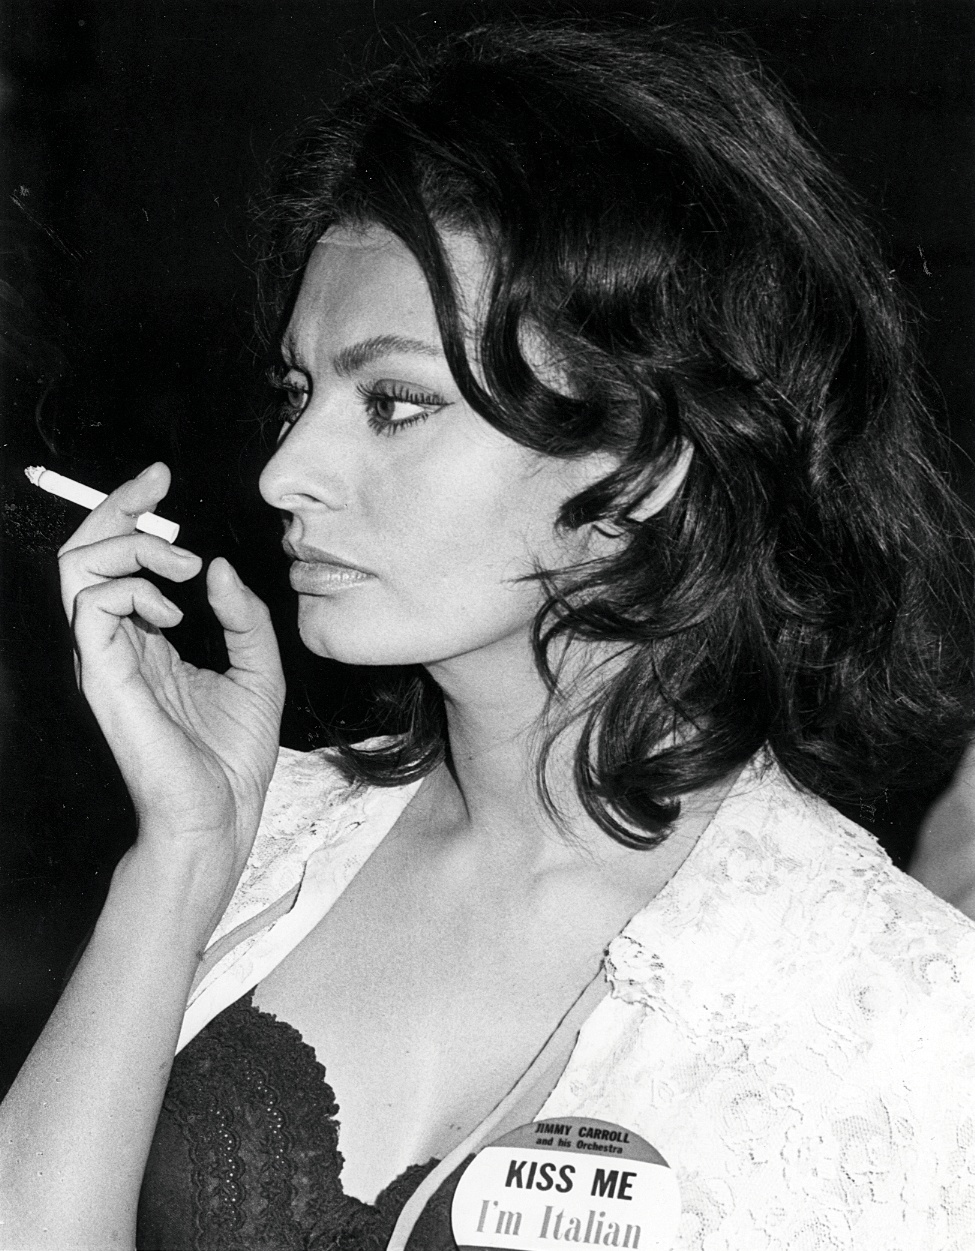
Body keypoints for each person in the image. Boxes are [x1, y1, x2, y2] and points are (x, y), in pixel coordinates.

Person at [2, 19, 975, 1251]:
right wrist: (181, 856)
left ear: (644, 463)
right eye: (298, 392)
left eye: (395, 402)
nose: (284, 473)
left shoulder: (897, 1009)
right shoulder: (267, 846)